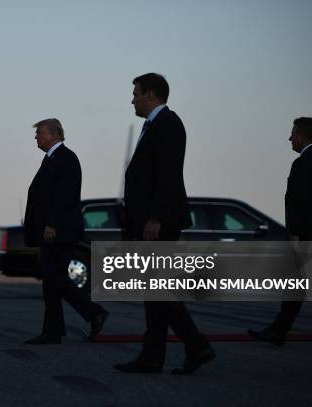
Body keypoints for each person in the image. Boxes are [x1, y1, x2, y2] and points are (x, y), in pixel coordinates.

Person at [115, 73, 215, 375]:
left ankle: (196, 345)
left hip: (158, 222)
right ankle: (153, 356)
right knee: (155, 292)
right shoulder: (154, 125)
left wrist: (155, 218)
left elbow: (168, 175)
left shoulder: (168, 124)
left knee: (159, 290)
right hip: (147, 221)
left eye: (136, 93)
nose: (132, 99)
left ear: (151, 94)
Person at [248, 117, 312, 349]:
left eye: (293, 134)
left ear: (301, 135)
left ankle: (278, 331)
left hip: (311, 235)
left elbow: (298, 202)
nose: (290, 138)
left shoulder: (302, 163)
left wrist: (296, 234)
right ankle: (279, 330)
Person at [23, 119, 109, 345]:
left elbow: (65, 195)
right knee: (50, 281)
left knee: (55, 278)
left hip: (60, 231)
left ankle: (94, 312)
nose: (36, 137)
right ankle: (52, 331)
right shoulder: (51, 159)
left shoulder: (66, 158)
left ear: (54, 135)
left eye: (39, 133)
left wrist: (52, 224)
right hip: (50, 231)